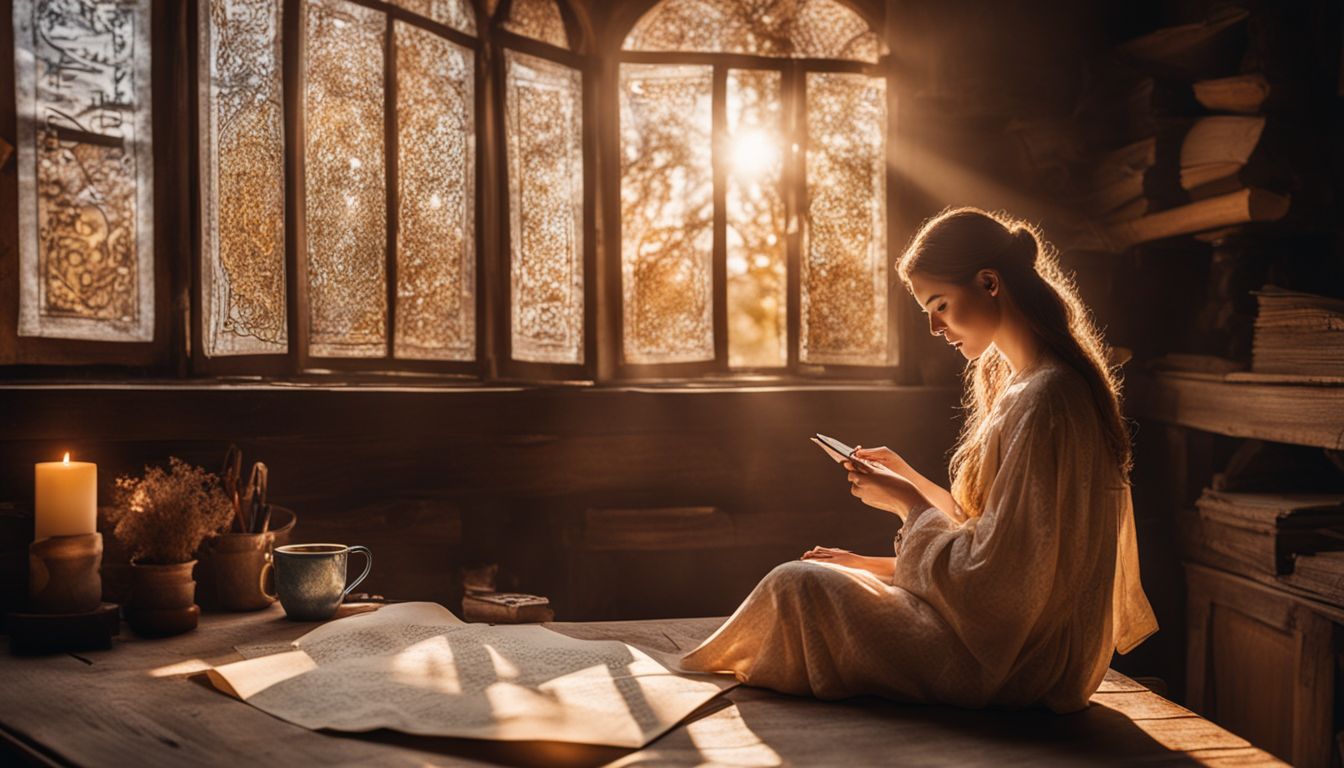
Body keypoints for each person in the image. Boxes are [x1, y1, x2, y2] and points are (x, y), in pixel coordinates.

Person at [678, 207, 1158, 713]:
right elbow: (994, 539)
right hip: (1007, 642)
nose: (933, 326)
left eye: (941, 305)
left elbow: (1001, 583)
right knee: (815, 580)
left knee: (797, 589)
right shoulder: (1028, 386)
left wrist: (908, 503)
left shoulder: (1047, 398)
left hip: (1017, 664)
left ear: (990, 283)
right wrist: (899, 508)